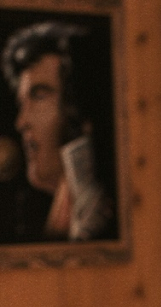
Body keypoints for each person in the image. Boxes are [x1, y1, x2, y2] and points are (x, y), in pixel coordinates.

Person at [2, 21, 116, 241]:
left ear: (79, 107)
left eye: (39, 95)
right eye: (21, 104)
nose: (21, 122)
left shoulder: (97, 216)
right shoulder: (61, 217)